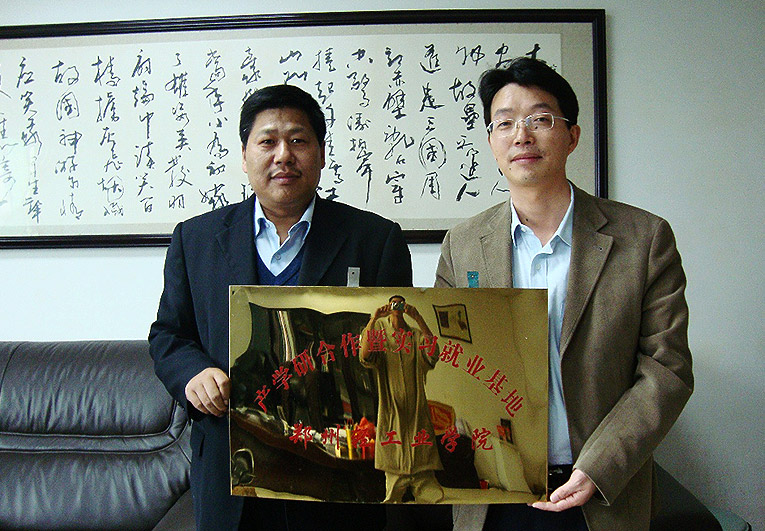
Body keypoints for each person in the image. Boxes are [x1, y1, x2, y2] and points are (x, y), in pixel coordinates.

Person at [435, 58, 693, 531]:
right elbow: (448, 362)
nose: (521, 135)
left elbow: (667, 368)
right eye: (504, 123)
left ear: (572, 136)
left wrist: (599, 466)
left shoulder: (643, 238)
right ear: (491, 142)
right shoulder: (463, 245)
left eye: (540, 119)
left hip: (601, 494)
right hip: (492, 493)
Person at [149, 84, 412, 530]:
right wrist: (193, 373)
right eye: (267, 141)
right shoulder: (196, 239)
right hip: (232, 469)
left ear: (321, 154)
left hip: (337, 472)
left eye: (298, 140)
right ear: (245, 155)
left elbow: (396, 347)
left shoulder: (374, 239)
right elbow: (169, 335)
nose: (283, 155)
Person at [359, 295, 444, 504]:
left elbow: (433, 353)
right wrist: (374, 318)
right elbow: (365, 355)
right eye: (393, 303)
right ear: (389, 306)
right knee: (392, 495)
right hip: (391, 411)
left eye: (400, 303)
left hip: (416, 412)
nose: (396, 306)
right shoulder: (380, 333)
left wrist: (418, 318)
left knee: (432, 495)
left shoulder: (415, 335)